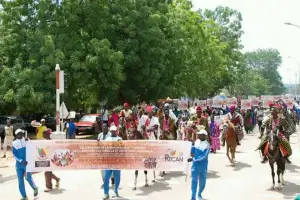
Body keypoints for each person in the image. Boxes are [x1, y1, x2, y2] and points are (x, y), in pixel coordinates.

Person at [13, 129, 39, 200]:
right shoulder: (14, 143)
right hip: (19, 165)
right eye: (19, 134)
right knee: (20, 180)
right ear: (16, 135)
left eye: (21, 133)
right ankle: (24, 196)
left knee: (28, 178)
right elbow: (14, 155)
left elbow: (32, 147)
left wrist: (29, 141)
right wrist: (21, 161)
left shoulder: (27, 140)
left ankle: (35, 188)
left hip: (27, 163)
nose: (21, 135)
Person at [187, 129, 210, 200]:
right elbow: (193, 151)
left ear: (204, 136)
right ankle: (193, 197)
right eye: (198, 134)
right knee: (194, 181)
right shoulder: (196, 141)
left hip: (203, 166)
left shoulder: (207, 145)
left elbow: (204, 156)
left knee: (202, 182)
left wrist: (193, 159)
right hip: (195, 166)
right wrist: (190, 148)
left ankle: (199, 194)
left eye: (200, 134)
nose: (198, 135)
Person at [103, 125, 122, 200]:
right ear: (110, 131)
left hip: (117, 162)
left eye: (114, 131)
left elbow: (122, 149)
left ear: (116, 131)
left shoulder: (119, 139)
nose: (113, 132)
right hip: (108, 161)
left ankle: (116, 190)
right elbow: (103, 147)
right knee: (106, 178)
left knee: (117, 178)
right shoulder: (107, 139)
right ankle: (106, 193)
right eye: (112, 131)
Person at [97, 124, 111, 188]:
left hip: (109, 155)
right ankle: (104, 182)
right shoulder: (100, 135)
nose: (104, 128)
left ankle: (112, 179)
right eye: (103, 127)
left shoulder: (110, 135)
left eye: (105, 127)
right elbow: (97, 144)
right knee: (102, 170)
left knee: (110, 168)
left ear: (107, 128)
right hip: (101, 155)